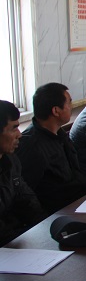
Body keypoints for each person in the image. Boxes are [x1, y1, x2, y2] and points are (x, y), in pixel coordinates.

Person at [16, 83, 86, 214]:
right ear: (56, 111)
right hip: (58, 213)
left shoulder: (59, 133)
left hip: (79, 201)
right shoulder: (32, 146)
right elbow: (27, 196)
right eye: (69, 103)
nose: (72, 106)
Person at [0, 100, 45, 246]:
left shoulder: (10, 160)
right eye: (14, 128)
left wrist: (44, 230)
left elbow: (27, 200)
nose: (19, 135)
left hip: (18, 238)